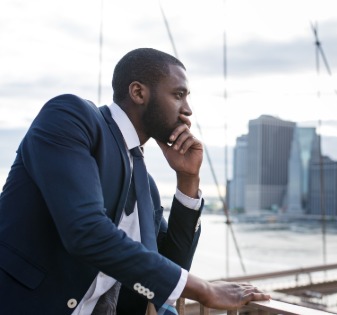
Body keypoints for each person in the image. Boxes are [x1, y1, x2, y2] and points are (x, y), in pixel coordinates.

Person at [0, 48, 270, 314]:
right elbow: (85, 230)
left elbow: (168, 267)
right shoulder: (71, 117)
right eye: (178, 95)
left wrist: (188, 180)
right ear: (139, 92)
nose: (187, 110)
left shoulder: (147, 188)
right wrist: (205, 290)